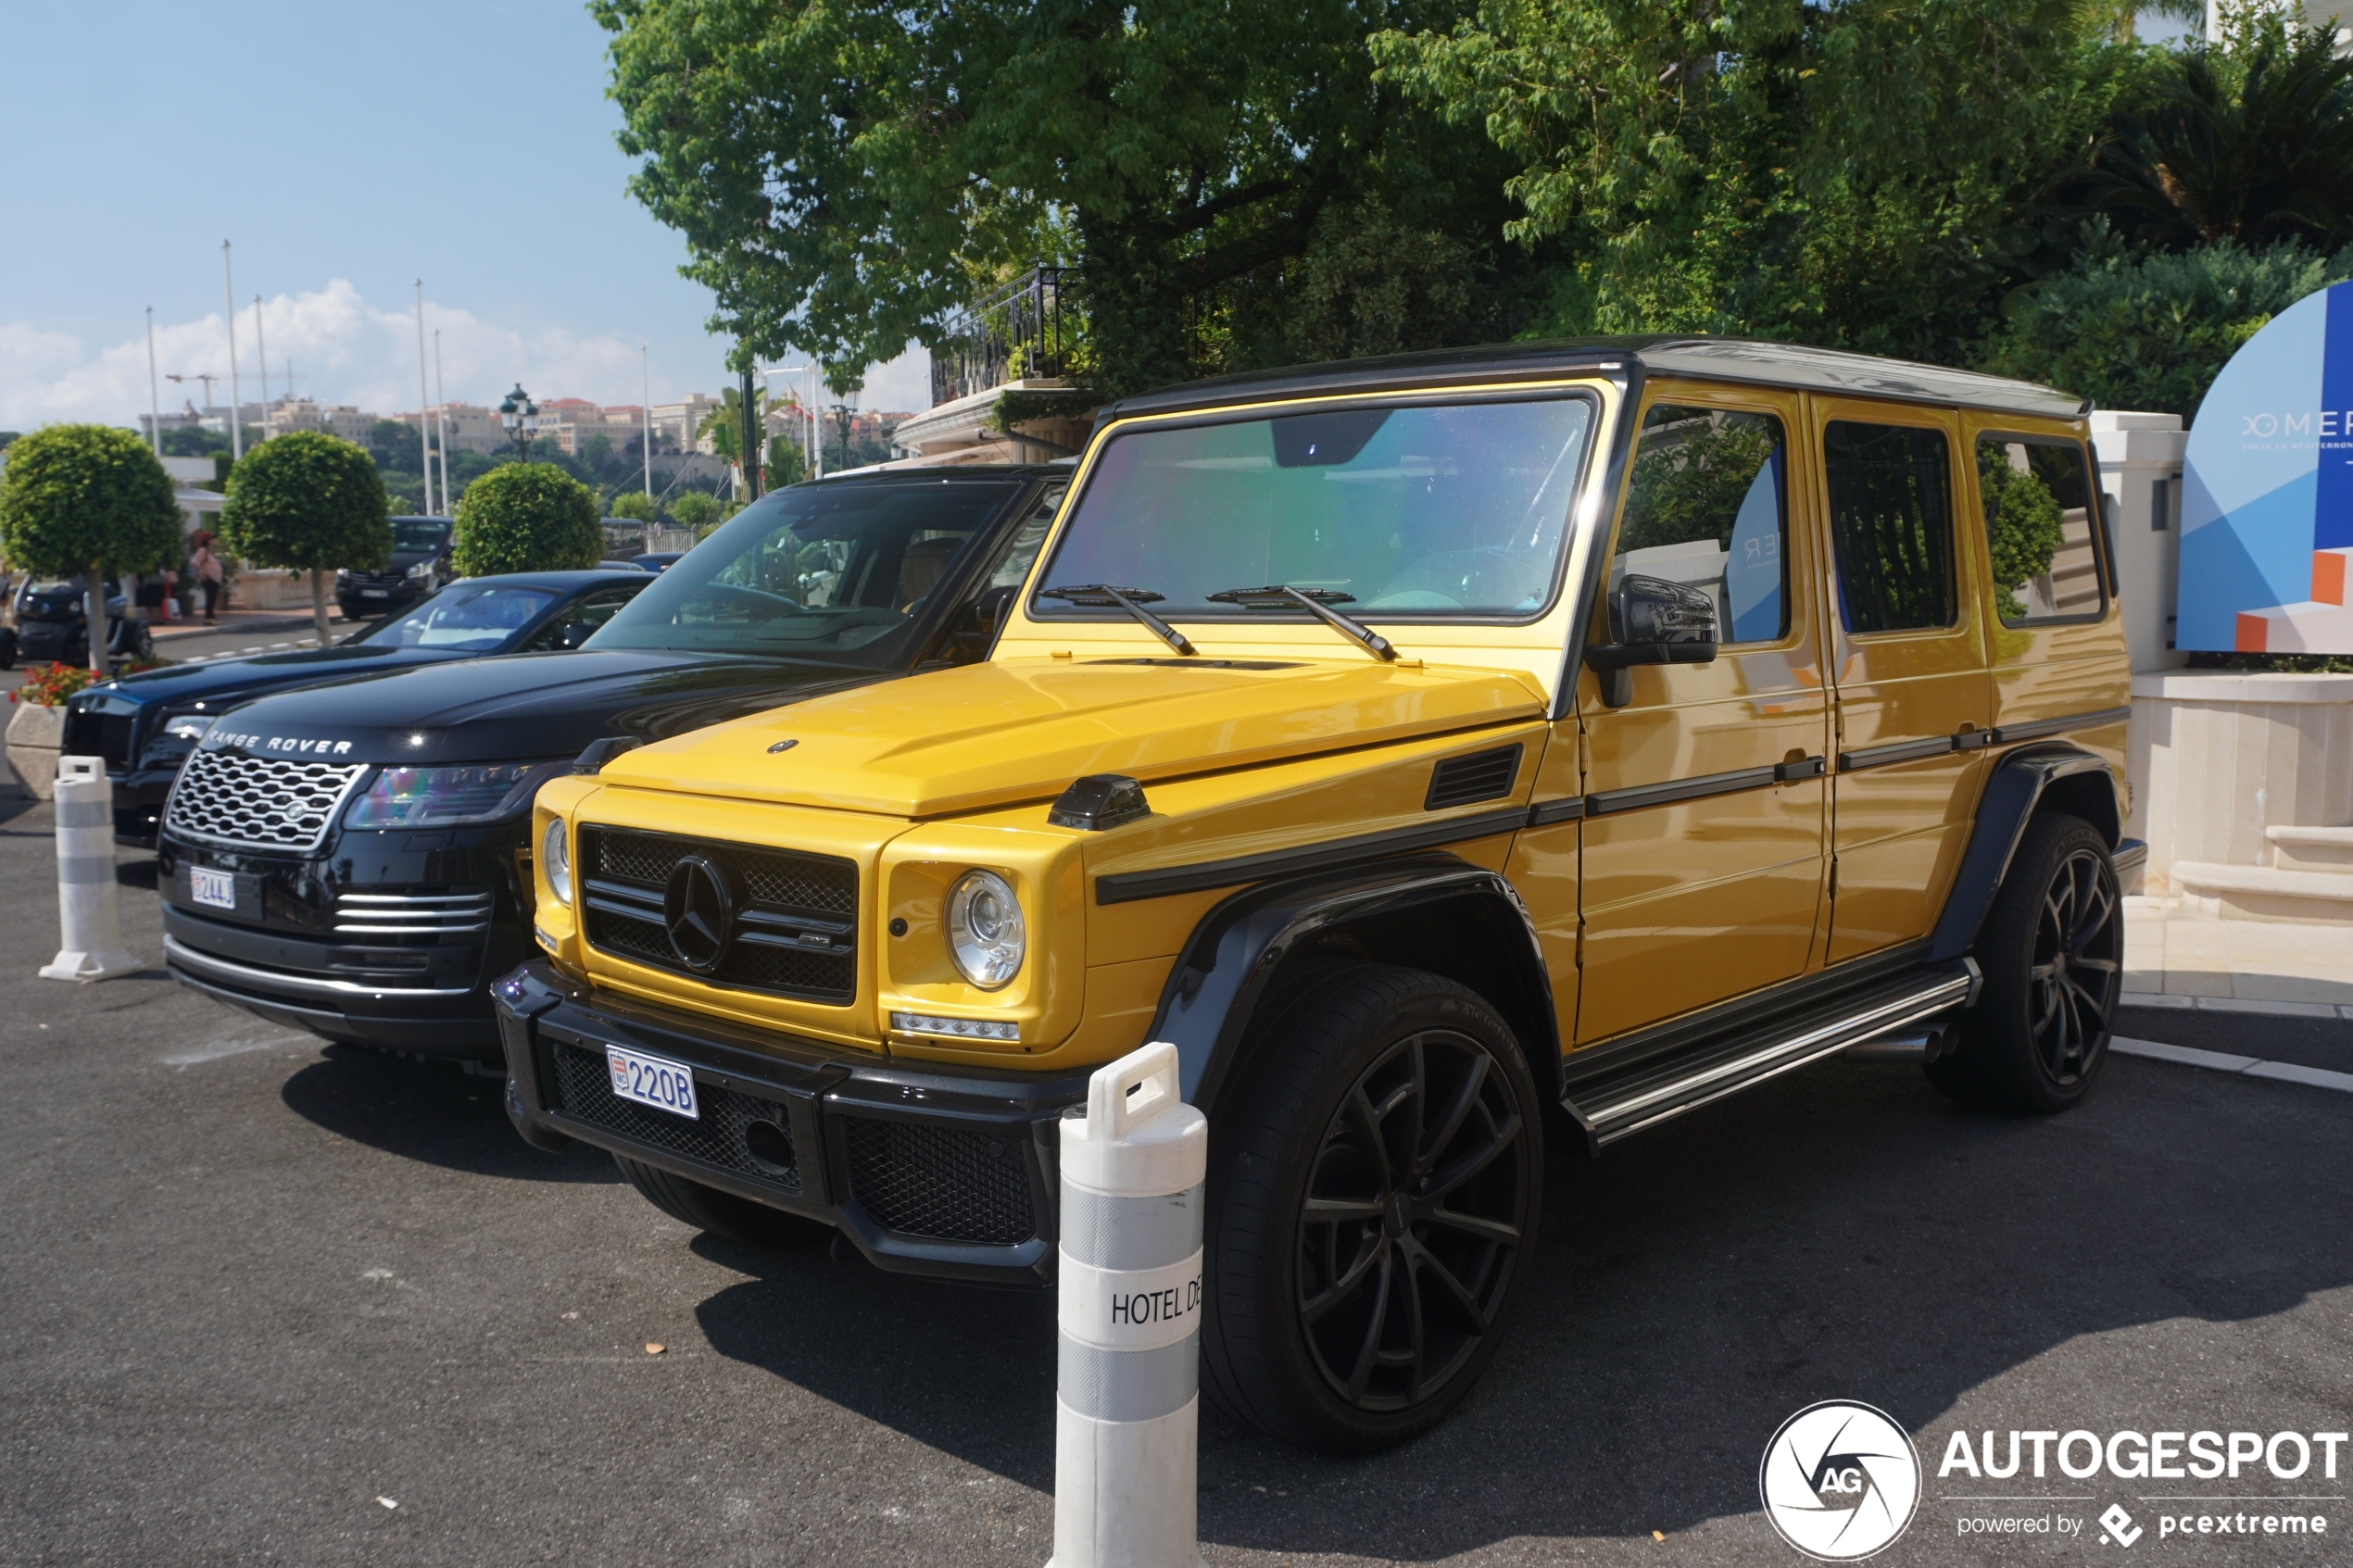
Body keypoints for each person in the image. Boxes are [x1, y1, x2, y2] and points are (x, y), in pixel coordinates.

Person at [190, 532, 224, 624]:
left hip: (214, 579)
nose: (215, 541)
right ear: (208, 541)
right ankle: (208, 618)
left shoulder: (210, 551)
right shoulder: (203, 550)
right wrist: (201, 571)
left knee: (212, 598)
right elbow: (194, 561)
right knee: (210, 598)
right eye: (213, 539)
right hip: (208, 578)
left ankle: (211, 616)